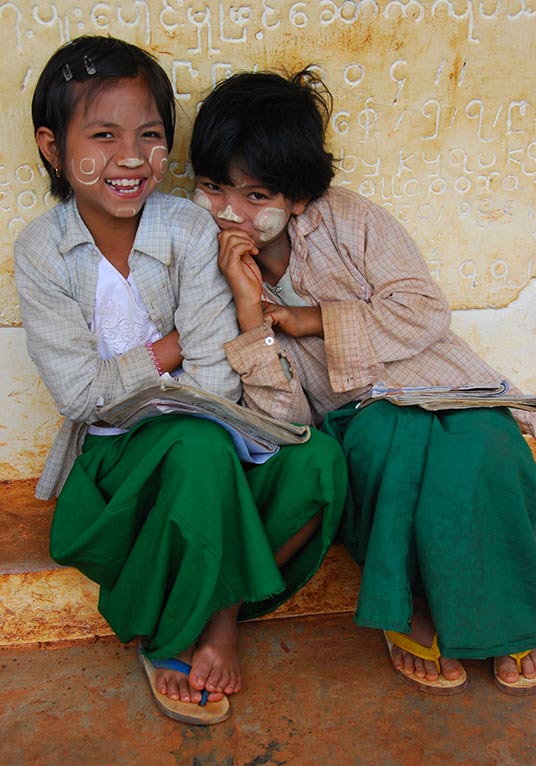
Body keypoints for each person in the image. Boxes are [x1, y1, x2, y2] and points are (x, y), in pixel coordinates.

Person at [14, 39, 347, 725]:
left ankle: (211, 606)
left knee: (316, 462)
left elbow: (218, 381)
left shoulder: (190, 228)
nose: (132, 158)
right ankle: (189, 630)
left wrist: (147, 369)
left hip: (210, 434)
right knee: (195, 449)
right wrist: (168, 348)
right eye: (102, 137)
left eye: (151, 137)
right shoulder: (42, 251)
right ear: (52, 147)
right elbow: (82, 396)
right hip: (116, 460)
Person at [189, 68, 536, 695]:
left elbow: (423, 310)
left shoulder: (347, 220)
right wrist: (248, 307)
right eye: (212, 187)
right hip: (357, 413)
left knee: (491, 445)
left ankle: (513, 613)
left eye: (256, 195)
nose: (230, 212)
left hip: (440, 383)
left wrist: (311, 319)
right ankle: (414, 610)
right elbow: (279, 414)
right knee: (385, 453)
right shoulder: (204, 272)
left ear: (297, 197)